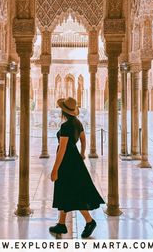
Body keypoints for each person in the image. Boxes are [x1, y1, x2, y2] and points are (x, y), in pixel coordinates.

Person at [50, 97, 105, 238]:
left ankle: (89, 221)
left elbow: (62, 149)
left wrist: (55, 169)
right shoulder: (77, 123)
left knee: (72, 191)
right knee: (67, 190)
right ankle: (61, 224)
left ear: (63, 111)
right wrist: (81, 153)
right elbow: (83, 139)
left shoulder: (66, 126)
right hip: (75, 160)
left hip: (66, 163)